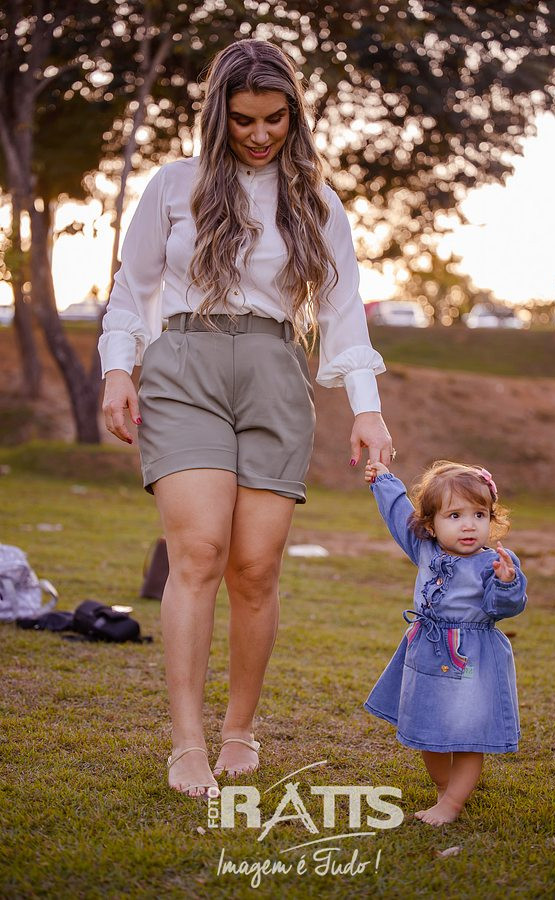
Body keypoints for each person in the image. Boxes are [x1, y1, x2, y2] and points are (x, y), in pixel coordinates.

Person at [98, 38, 392, 798]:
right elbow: (132, 288)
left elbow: (342, 312)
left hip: (274, 375)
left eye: (274, 119)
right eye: (243, 120)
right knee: (198, 551)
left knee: (255, 569)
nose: (260, 135)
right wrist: (118, 369)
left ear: (294, 115)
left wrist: (367, 411)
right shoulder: (175, 185)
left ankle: (239, 729)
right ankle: (187, 742)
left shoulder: (317, 202)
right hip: (184, 367)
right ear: (215, 116)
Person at [363, 459, 527, 825]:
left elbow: (503, 608)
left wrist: (506, 583)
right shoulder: (425, 549)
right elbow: (398, 513)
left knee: (469, 735)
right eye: (455, 516)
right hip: (427, 652)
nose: (469, 525)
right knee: (427, 729)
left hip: (472, 661)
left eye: (479, 515)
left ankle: (452, 804)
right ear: (430, 524)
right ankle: (445, 789)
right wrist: (383, 479)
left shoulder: (494, 563)